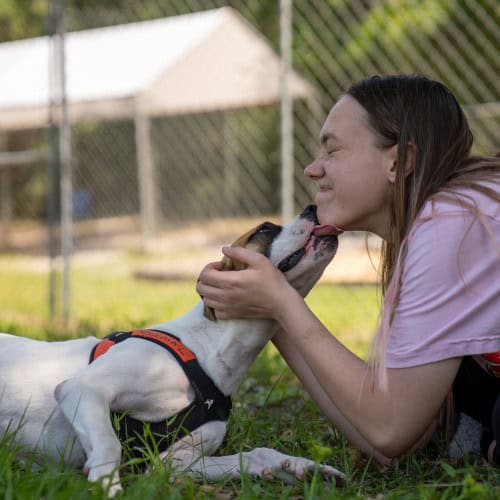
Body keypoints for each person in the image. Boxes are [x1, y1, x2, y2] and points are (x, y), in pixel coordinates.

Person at [196, 75, 500, 466]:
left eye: (332, 151)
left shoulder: (450, 223)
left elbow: (390, 429)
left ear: (400, 161)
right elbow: (389, 438)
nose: (312, 169)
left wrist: (283, 305)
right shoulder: (444, 220)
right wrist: (271, 309)